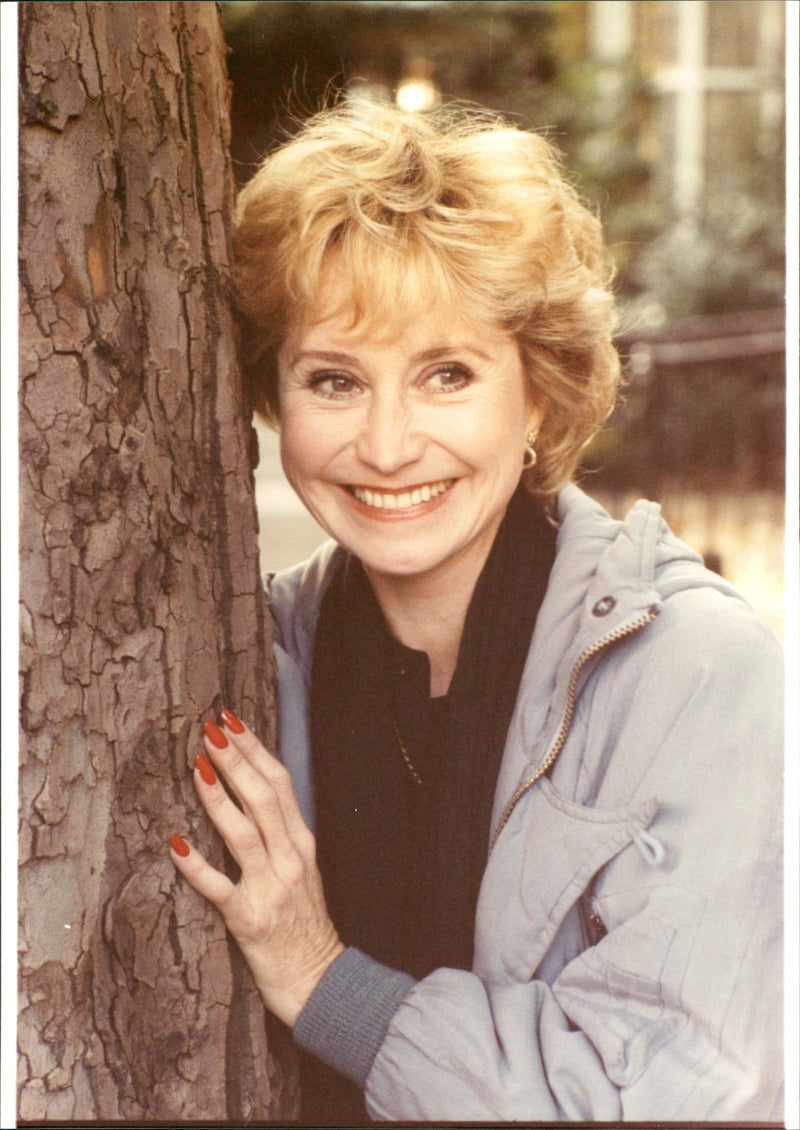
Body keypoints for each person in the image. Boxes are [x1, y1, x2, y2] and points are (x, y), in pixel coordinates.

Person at [168, 101, 783, 1123]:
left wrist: (325, 981)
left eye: (445, 374)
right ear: (276, 399)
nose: (388, 442)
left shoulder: (700, 674)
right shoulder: (252, 646)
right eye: (334, 380)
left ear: (536, 392)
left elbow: (679, 1090)